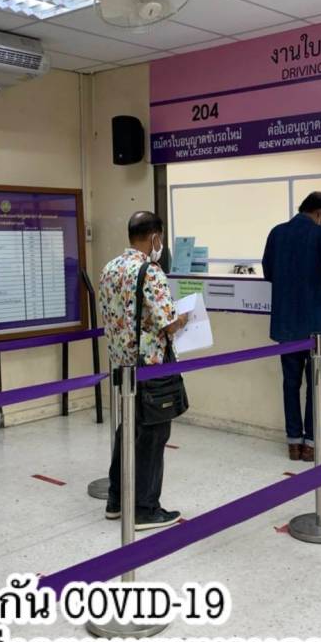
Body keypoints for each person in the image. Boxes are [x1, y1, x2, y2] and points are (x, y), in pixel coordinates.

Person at [100, 211, 189, 530]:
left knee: (128, 429)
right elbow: (168, 322)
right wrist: (184, 318)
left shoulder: (110, 268)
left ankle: (115, 499)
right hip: (151, 367)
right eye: (160, 239)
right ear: (154, 237)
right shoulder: (150, 271)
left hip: (123, 365)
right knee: (153, 433)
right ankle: (145, 509)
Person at [263, 192, 321, 462]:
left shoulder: (277, 233)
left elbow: (268, 272)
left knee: (291, 384)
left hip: (285, 324)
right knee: (318, 385)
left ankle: (294, 443)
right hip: (316, 326)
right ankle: (313, 444)